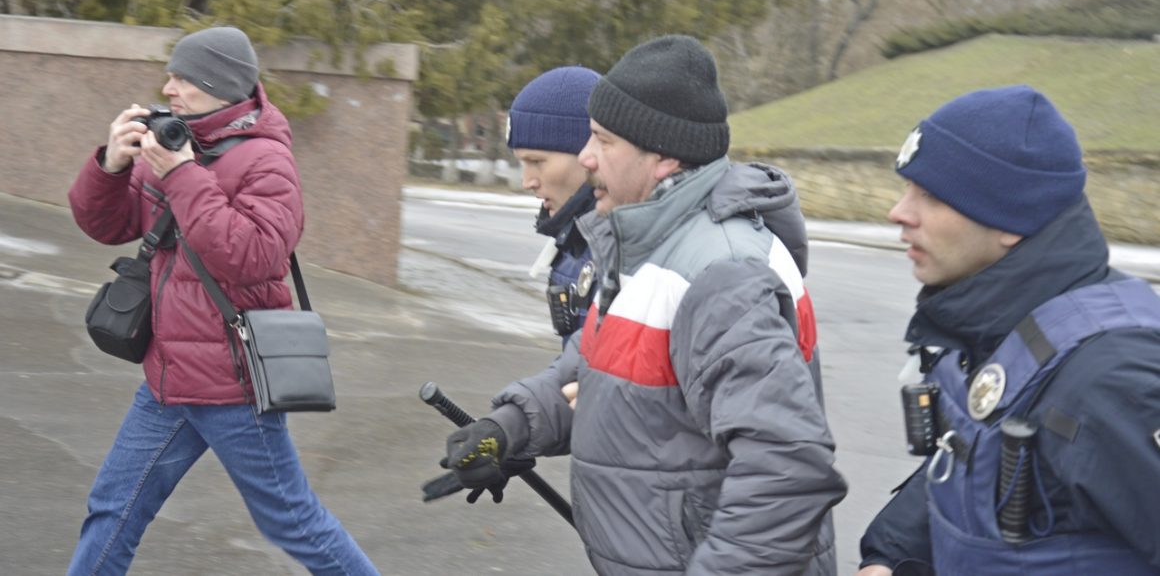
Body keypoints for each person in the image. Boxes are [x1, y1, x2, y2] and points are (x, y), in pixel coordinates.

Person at [439, 35, 846, 575]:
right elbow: (598, 367)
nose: (586, 158)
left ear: (663, 157)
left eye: (603, 141)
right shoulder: (650, 243)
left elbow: (788, 470)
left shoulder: (720, 274)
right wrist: (509, 427)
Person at [67, 27, 379, 575]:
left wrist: (184, 176)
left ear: (218, 85)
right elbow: (107, 224)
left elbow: (252, 255)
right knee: (112, 509)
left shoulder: (266, 162)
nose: (169, 88)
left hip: (232, 386)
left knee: (293, 523)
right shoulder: (172, 145)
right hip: (167, 378)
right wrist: (111, 166)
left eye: (182, 78)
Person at [856, 85, 1160, 576]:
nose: (899, 211)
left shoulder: (1116, 377)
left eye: (931, 195)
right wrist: (891, 555)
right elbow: (975, 456)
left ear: (1011, 220)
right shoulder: (995, 324)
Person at [507, 66, 601, 345]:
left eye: (537, 162)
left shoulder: (626, 250)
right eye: (521, 163)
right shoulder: (575, 244)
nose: (527, 181)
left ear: (589, 153)